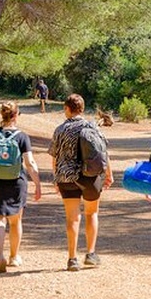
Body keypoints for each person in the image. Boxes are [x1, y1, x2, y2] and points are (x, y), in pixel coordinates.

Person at [49, 94, 113, 271]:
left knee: (72, 218)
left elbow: (55, 157)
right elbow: (103, 152)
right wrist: (109, 173)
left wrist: (56, 178)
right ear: (82, 109)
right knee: (91, 213)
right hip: (90, 177)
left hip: (66, 177)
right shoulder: (92, 127)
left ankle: (72, 259)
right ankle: (91, 254)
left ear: (67, 108)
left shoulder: (60, 130)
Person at [0, 101, 42, 273]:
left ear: (2, 115)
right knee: (15, 221)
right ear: (15, 116)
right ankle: (14, 257)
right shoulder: (22, 137)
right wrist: (37, 184)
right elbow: (30, 163)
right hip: (17, 182)